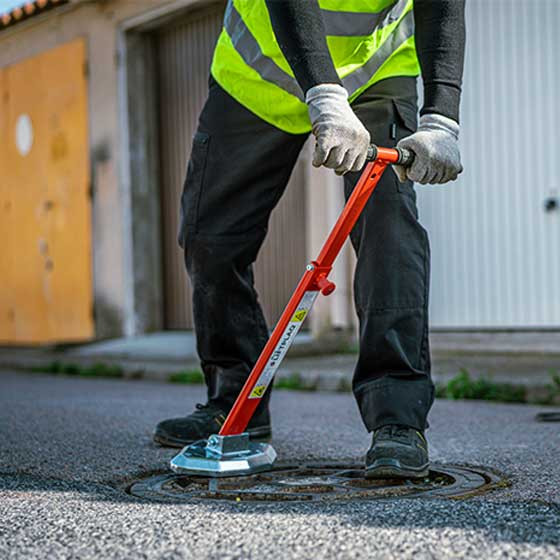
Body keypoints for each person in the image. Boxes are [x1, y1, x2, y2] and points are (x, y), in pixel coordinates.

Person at [154, 0, 465, 479]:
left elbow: (442, 7)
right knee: (211, 239)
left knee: (390, 231)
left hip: (373, 75)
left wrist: (442, 119)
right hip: (255, 78)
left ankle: (397, 420)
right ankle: (236, 406)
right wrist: (323, 93)